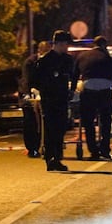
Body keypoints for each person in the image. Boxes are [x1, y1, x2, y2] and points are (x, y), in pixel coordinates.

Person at [33, 30, 74, 171]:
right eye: (65, 44)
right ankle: (50, 158)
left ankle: (57, 158)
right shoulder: (45, 61)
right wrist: (46, 90)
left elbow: (72, 76)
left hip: (62, 99)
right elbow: (36, 80)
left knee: (60, 129)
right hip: (50, 100)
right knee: (51, 129)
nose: (67, 47)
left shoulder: (67, 60)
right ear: (59, 44)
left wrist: (71, 90)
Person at [71, 35, 112, 160]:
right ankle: (105, 149)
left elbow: (75, 76)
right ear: (104, 45)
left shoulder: (83, 56)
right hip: (104, 92)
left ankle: (93, 151)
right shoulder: (107, 58)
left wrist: (72, 91)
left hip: (89, 91)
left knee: (88, 122)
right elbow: (111, 78)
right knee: (106, 121)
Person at [20, 41, 51, 158]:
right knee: (30, 122)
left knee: (44, 123)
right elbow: (26, 79)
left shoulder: (48, 62)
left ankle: (43, 145)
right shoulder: (30, 62)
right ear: (40, 51)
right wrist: (28, 94)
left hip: (42, 95)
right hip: (29, 96)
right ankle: (32, 148)